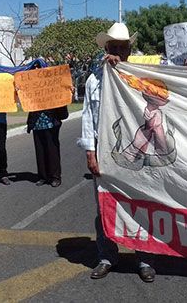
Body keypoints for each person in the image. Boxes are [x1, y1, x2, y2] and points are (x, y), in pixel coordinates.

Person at [78, 22, 156, 283]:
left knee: (138, 206)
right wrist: (90, 151)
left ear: (130, 51)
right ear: (107, 48)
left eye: (124, 48)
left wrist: (122, 73)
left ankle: (144, 258)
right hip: (105, 152)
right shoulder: (94, 81)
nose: (119, 53)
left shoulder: (140, 77)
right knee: (105, 206)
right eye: (115, 48)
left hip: (136, 153)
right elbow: (88, 116)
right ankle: (106, 256)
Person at [26, 106, 68, 187]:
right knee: (40, 151)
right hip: (37, 122)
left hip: (51, 122)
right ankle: (43, 176)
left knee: (52, 151)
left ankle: (55, 177)